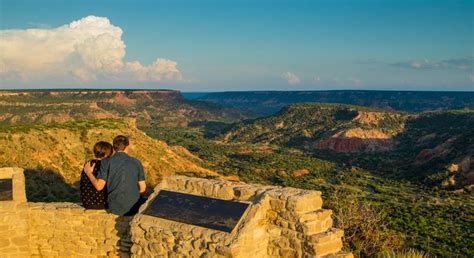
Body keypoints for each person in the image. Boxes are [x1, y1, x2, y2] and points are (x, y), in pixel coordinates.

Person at [83, 135, 147, 216]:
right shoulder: (136, 162)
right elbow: (143, 189)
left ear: (114, 147)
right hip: (134, 207)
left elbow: (99, 186)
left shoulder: (106, 162)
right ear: (127, 146)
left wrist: (89, 173)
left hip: (115, 207)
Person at [80, 141, 113, 209]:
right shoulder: (105, 165)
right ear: (107, 154)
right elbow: (99, 187)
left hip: (87, 203)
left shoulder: (88, 164)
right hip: (101, 203)